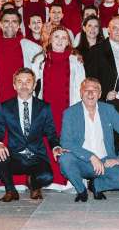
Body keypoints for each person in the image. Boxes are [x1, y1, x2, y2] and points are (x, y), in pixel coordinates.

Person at [0, 8, 43, 192]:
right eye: (6, 21)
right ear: (0, 24)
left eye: (14, 21)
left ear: (19, 25)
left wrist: (75, 55)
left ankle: (21, 179)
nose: (10, 25)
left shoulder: (28, 46)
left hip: (22, 102)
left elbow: (46, 59)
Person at [0, 67, 63, 201]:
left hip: (36, 156)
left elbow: (51, 132)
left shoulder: (44, 107)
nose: (24, 85)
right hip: (15, 156)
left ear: (34, 85)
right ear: (14, 85)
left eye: (28, 81)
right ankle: (11, 191)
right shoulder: (5, 107)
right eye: (20, 82)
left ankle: (34, 185)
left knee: (47, 177)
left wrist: (55, 146)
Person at [59, 78, 119, 202]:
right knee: (65, 159)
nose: (90, 93)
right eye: (86, 90)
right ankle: (81, 190)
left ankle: (96, 186)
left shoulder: (108, 110)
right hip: (81, 161)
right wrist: (91, 156)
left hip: (105, 161)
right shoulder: (70, 113)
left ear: (100, 94)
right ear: (81, 93)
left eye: (94, 90)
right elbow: (65, 142)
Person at [31, 26, 85, 188]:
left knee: (67, 141)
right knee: (47, 140)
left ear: (68, 42)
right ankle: (49, 178)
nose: (60, 40)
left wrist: (79, 111)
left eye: (64, 38)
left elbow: (81, 87)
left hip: (68, 108)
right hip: (47, 109)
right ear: (50, 39)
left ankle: (67, 179)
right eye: (56, 37)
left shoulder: (75, 61)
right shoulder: (40, 60)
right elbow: (32, 85)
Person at [85, 15, 119, 153]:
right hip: (108, 101)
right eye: (115, 28)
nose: (118, 31)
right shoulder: (96, 50)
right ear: (108, 30)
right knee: (108, 137)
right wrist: (103, 94)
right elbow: (91, 79)